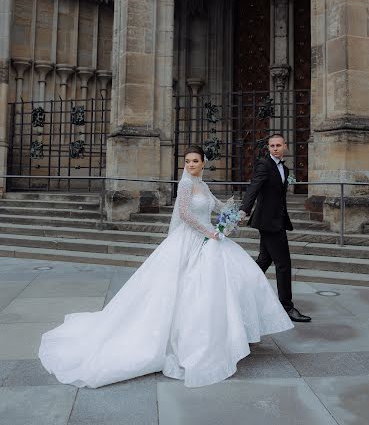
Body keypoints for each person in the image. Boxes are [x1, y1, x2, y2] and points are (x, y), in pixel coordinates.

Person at [38, 145, 293, 388]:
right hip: (192, 239)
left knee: (229, 282)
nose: (191, 165)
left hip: (209, 238)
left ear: (204, 163)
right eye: (187, 162)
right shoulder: (184, 185)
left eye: (195, 161)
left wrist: (232, 213)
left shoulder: (202, 183)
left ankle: (228, 334)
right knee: (188, 288)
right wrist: (210, 232)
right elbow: (185, 214)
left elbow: (215, 205)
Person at [239, 134, 311, 323]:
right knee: (283, 264)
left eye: (278, 145)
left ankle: (239, 292)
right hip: (268, 222)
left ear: (285, 147)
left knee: (264, 259)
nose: (275, 148)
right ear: (268, 148)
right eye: (272, 146)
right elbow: (254, 187)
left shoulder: (285, 170)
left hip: (276, 219)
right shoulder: (264, 164)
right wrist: (244, 209)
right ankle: (287, 307)